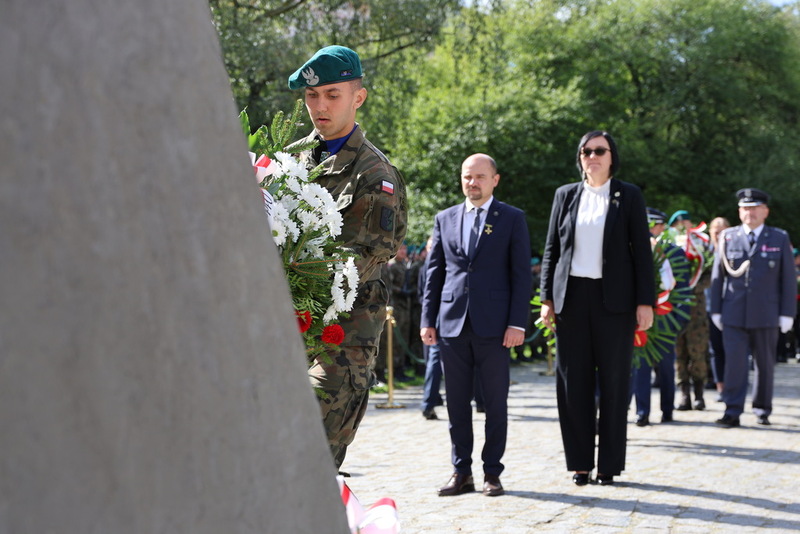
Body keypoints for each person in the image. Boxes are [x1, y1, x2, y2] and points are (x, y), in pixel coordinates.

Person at [288, 45, 408, 469]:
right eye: (311, 96)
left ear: (358, 97)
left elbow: (362, 259)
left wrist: (289, 270)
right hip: (288, 333)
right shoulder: (291, 160)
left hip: (341, 339)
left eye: (332, 95)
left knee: (314, 459)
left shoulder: (374, 174)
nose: (320, 106)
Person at [540, 131, 655, 486]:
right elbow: (551, 250)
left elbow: (642, 255)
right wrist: (547, 299)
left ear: (611, 156)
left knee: (615, 383)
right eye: (586, 151)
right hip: (572, 301)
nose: (592, 156)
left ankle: (608, 465)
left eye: (599, 151)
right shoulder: (566, 195)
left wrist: (645, 302)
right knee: (573, 383)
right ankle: (579, 464)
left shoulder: (628, 196)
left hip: (615, 303)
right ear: (580, 158)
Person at [420, 153, 531, 497]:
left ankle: (492, 473)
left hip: (496, 328)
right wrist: (428, 319)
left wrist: (517, 323)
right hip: (452, 325)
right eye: (468, 176)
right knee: (456, 406)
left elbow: (521, 276)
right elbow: (435, 274)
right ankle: (461, 471)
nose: (473, 182)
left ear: (495, 180)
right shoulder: (445, 218)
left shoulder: (512, 218)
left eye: (481, 177)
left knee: (495, 405)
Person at [710, 188, 795, 427]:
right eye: (746, 208)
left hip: (767, 313)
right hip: (733, 313)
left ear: (765, 211)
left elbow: (787, 279)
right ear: (739, 212)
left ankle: (762, 409)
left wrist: (787, 313)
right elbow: (718, 277)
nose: (751, 213)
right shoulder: (728, 237)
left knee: (764, 365)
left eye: (755, 208)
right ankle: (732, 410)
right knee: (734, 364)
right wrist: (715, 309)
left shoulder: (779, 237)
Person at [630, 208, 689, 426]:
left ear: (660, 227)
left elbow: (683, 288)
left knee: (665, 367)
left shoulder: (673, 252)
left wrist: (679, 318)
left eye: (653, 226)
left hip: (665, 318)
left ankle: (667, 409)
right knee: (641, 366)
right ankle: (642, 411)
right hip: (639, 319)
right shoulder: (631, 249)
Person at [669, 210, 712, 411]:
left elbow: (710, 272)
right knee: (679, 351)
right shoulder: (669, 244)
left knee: (698, 350)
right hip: (675, 304)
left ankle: (699, 394)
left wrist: (694, 287)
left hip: (696, 305)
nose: (682, 225)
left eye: (685, 221)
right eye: (677, 222)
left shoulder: (701, 243)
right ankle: (684, 394)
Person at [706, 216, 730, 401]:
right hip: (707, 307)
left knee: (731, 347)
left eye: (722, 229)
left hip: (729, 307)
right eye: (715, 229)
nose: (718, 232)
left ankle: (732, 384)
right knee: (714, 348)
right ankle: (720, 386)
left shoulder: (732, 250)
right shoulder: (703, 252)